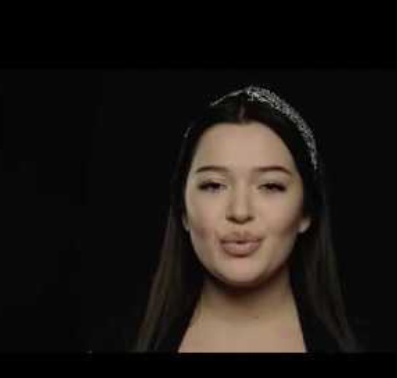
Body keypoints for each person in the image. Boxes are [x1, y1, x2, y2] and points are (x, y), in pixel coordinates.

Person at [118, 84, 362, 353]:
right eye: (213, 185)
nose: (240, 212)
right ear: (183, 209)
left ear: (306, 211)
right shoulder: (118, 340)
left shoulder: (359, 342)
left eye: (270, 186)